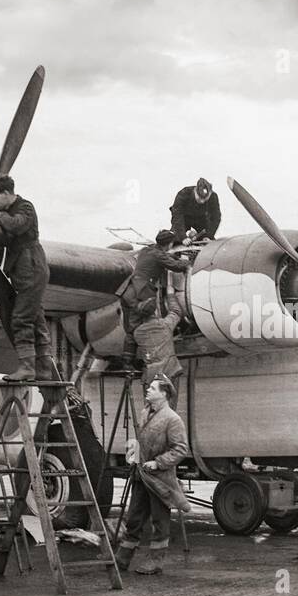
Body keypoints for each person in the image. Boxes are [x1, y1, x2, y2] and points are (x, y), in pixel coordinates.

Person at [0, 175, 54, 383]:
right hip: (23, 270)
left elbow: (16, 225)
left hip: (32, 266)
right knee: (35, 317)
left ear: (8, 194)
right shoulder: (7, 209)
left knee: (20, 318)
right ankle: (44, 367)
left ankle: (27, 368)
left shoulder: (25, 207)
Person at [116, 375, 191, 575]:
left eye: (152, 388)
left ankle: (156, 561)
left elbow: (181, 449)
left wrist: (158, 463)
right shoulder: (144, 413)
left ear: (164, 394)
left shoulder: (172, 419)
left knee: (159, 520)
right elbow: (144, 439)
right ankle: (122, 558)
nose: (148, 390)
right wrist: (134, 445)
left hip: (160, 479)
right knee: (134, 518)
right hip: (141, 475)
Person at [121, 230, 191, 329]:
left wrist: (171, 256)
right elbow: (177, 267)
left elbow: (159, 255)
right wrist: (187, 262)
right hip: (141, 294)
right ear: (170, 244)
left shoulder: (145, 250)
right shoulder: (158, 256)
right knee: (143, 327)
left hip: (128, 290)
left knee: (131, 330)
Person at [170, 177, 221, 242]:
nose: (202, 201)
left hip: (201, 219)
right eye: (199, 199)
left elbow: (216, 218)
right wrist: (183, 237)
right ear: (195, 191)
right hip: (184, 218)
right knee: (173, 239)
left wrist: (209, 236)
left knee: (208, 241)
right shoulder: (183, 193)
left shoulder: (213, 197)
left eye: (205, 200)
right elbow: (177, 216)